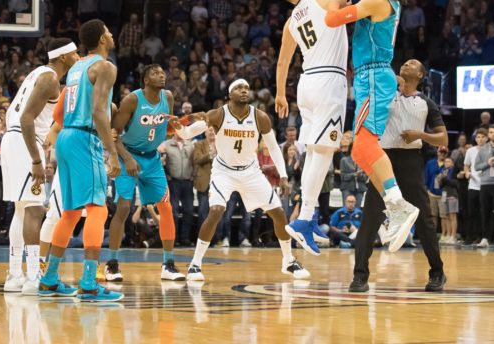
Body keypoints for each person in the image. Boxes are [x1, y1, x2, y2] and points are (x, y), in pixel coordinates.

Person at [321, 0, 421, 254]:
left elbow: (334, 20)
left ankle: (399, 204)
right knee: (362, 152)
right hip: (371, 78)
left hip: (374, 77)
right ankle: (395, 206)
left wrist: (328, 3)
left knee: (362, 147)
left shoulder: (374, 2)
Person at [277, 0, 361, 255]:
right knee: (325, 152)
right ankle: (304, 217)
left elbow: (282, 63)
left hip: (305, 84)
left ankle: (307, 220)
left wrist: (281, 94)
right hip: (327, 81)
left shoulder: (290, 22)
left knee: (316, 151)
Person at [185, 80, 309, 281]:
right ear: (229, 94)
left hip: (251, 172)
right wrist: (179, 125)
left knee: (278, 213)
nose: (244, 90)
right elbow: (187, 133)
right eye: (238, 88)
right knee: (216, 210)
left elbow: (274, 148)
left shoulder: (260, 117)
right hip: (224, 171)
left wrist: (284, 176)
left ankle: (289, 261)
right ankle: (195, 264)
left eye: (246, 88)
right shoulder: (218, 114)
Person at [38, 20, 123, 302]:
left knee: (71, 212)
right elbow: (100, 113)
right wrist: (111, 151)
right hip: (86, 138)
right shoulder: (105, 67)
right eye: (109, 31)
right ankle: (88, 282)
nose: (112, 35)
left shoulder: (75, 68)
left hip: (66, 138)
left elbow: (59, 114)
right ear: (101, 38)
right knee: (97, 210)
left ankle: (49, 277)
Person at [350, 59, 447, 293]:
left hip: (411, 163)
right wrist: (391, 80)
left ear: (421, 75)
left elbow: (443, 139)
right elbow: (374, 78)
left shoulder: (426, 103)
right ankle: (359, 276)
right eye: (404, 63)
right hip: (383, 160)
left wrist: (420, 135)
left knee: (424, 221)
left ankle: (437, 273)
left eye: (413, 64)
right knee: (370, 219)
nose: (406, 64)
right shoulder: (386, 92)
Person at [0, 38, 79, 295]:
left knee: (21, 210)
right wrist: (36, 159)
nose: (78, 58)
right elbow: (26, 118)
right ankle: (34, 277)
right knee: (34, 210)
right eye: (75, 54)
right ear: (64, 57)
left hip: (13, 140)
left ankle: (14, 275)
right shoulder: (50, 78)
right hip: (24, 141)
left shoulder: (37, 73)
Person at [105, 64, 185, 282]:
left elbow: (165, 126)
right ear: (146, 80)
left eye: (162, 72)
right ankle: (111, 264)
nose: (161, 75)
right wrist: (127, 158)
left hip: (152, 159)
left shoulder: (167, 97)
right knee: (123, 208)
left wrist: (175, 125)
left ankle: (168, 264)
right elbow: (114, 133)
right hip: (127, 155)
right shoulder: (132, 100)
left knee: (166, 207)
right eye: (155, 73)